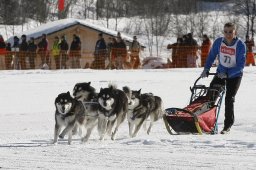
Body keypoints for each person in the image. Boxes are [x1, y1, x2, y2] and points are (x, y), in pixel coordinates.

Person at [200, 22, 246, 134]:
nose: (228, 34)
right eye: (226, 32)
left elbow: (240, 65)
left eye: (230, 32)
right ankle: (205, 123)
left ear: (235, 32)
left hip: (235, 76)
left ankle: (227, 126)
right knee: (211, 96)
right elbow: (211, 56)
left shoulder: (240, 45)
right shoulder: (218, 42)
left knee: (229, 99)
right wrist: (206, 69)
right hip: (221, 73)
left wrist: (228, 74)